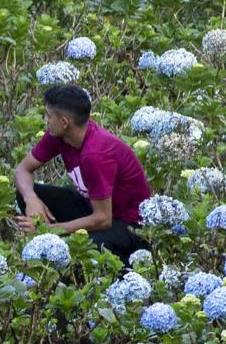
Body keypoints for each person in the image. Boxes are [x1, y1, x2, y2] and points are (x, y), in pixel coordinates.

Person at [13, 85, 152, 259]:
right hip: (93, 206)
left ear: (64, 122)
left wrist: (48, 231)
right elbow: (22, 170)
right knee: (26, 192)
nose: (45, 120)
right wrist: (30, 198)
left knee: (80, 250)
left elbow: (103, 219)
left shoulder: (95, 155)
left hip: (128, 225)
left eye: (48, 115)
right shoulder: (59, 136)